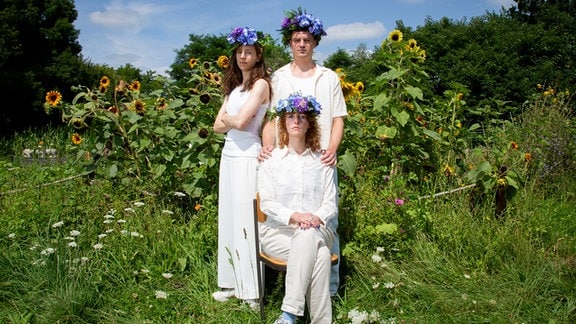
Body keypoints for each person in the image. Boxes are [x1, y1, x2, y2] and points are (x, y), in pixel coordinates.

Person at [260, 7, 347, 297]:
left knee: (327, 218)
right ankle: (298, 289)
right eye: (296, 39)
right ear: (289, 43)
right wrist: (266, 148)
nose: (301, 44)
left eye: (307, 39)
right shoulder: (279, 78)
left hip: (320, 157)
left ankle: (330, 289)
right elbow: (272, 119)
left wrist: (332, 150)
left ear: (315, 43)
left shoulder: (328, 77)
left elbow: (337, 119)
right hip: (288, 156)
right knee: (290, 219)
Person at [258, 93, 337, 324]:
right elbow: (267, 203)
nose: (296, 121)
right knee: (320, 256)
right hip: (277, 234)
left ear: (309, 123)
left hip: (319, 230)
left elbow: (330, 204)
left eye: (302, 117)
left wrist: (313, 219)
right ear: (283, 122)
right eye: (291, 116)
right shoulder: (271, 159)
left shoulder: (323, 160)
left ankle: (289, 314)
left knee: (307, 235)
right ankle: (322, 321)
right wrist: (295, 216)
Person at [212, 26, 272, 309]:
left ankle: (252, 292)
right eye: (239, 51)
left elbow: (243, 122)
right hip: (229, 156)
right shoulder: (234, 87)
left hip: (249, 156)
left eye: (248, 51)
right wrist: (230, 119)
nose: (243, 56)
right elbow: (216, 127)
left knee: (248, 221)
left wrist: (229, 118)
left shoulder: (261, 85)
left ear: (258, 55)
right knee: (230, 218)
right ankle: (232, 283)